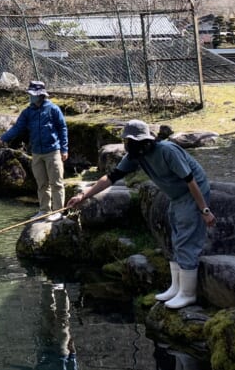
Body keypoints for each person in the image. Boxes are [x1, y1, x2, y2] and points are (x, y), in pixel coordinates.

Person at [66, 119, 216, 309]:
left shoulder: (167, 151)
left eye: (130, 141)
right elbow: (111, 177)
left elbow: (190, 180)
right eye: (126, 141)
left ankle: (187, 294)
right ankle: (176, 287)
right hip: (176, 197)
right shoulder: (136, 155)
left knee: (186, 240)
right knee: (175, 238)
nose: (127, 144)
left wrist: (204, 210)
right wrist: (83, 195)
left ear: (144, 141)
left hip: (192, 194)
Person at [0, 81, 69, 220]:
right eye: (30, 94)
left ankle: (58, 212)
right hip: (36, 153)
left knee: (56, 182)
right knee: (42, 184)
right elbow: (17, 128)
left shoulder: (53, 109)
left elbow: (62, 128)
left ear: (41, 95)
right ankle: (44, 210)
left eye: (33, 95)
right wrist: (3, 138)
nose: (31, 97)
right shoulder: (27, 112)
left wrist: (64, 149)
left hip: (53, 151)